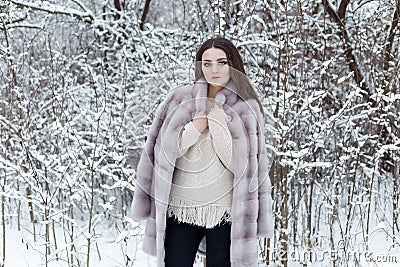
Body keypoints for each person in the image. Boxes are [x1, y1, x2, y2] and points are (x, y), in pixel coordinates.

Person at [128, 37, 273, 267]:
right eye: (207, 63)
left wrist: (216, 122)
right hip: (181, 209)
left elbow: (241, 166)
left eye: (221, 62)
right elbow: (163, 154)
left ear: (232, 64)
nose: (213, 69)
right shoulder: (178, 100)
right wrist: (195, 127)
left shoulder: (247, 109)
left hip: (225, 214)